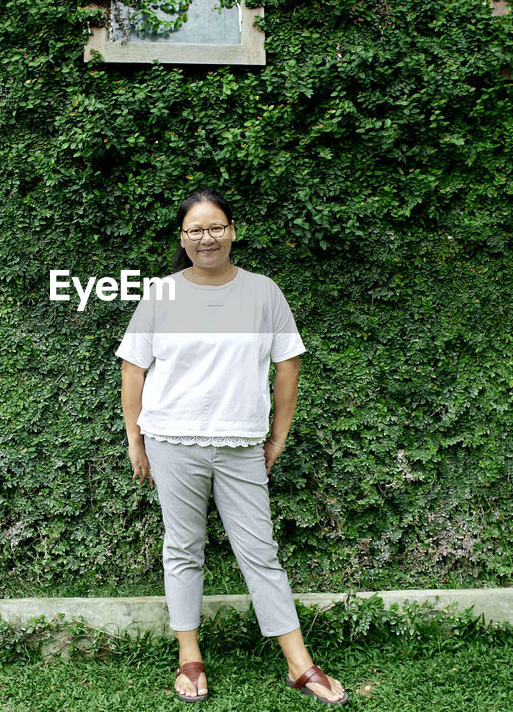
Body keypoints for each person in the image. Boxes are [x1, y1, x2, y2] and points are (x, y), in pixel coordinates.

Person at [116, 189, 348, 705]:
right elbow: (134, 367)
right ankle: (189, 658)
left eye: (216, 227)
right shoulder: (161, 294)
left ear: (232, 231)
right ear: (182, 237)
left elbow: (288, 364)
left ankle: (300, 665)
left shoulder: (263, 292)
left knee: (260, 553)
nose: (206, 237)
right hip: (172, 440)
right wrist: (136, 440)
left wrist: (278, 437)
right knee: (183, 549)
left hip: (241, 444)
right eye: (195, 230)